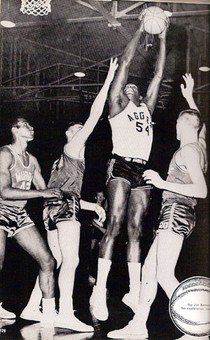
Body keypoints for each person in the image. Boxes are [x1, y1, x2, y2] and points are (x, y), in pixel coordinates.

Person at [20, 57, 118, 332]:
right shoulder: (74, 148)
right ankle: (64, 312)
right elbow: (95, 115)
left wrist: (92, 207)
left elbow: (66, 193)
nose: (82, 132)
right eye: (77, 130)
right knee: (72, 259)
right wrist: (108, 79)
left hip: (52, 206)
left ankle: (32, 305)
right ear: (71, 136)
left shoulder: (61, 163)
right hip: (63, 206)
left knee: (54, 260)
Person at [107, 73, 208, 339]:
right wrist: (189, 98)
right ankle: (138, 325)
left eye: (177, 122)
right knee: (149, 272)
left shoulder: (187, 151)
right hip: (176, 213)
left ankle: (198, 328)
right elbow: (198, 122)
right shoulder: (199, 145)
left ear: (182, 125)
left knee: (163, 273)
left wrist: (163, 183)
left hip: (176, 210)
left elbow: (201, 190)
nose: (174, 127)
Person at [90, 13, 168, 321]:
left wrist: (162, 38)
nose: (132, 86)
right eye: (129, 86)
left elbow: (159, 76)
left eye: (136, 86)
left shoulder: (146, 109)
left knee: (137, 230)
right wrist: (139, 28)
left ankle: (133, 291)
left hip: (142, 170)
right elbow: (124, 64)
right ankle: (99, 292)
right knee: (116, 224)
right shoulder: (117, 106)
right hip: (120, 165)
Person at [0, 117, 62, 326]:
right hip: (0, 211)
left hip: (19, 215)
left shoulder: (32, 160)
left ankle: (49, 313)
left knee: (48, 261)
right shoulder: (5, 154)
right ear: (15, 130)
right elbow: (4, 191)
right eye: (26, 124)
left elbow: (47, 193)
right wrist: (43, 193)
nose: (31, 127)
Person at [89, 190, 107, 285]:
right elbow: (90, 220)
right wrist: (100, 228)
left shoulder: (105, 208)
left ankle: (98, 278)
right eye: (98, 196)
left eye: (102, 196)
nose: (100, 198)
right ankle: (89, 276)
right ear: (95, 197)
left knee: (100, 255)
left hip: (101, 235)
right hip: (93, 233)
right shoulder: (92, 207)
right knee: (90, 254)